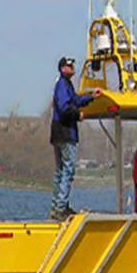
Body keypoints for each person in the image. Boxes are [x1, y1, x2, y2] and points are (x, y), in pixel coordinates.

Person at [50, 57, 101, 221]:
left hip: (59, 133)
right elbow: (65, 108)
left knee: (60, 171)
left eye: (72, 65)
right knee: (67, 170)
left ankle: (58, 206)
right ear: (62, 68)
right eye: (69, 66)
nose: (72, 68)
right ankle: (60, 207)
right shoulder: (62, 86)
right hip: (65, 133)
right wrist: (77, 115)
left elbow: (76, 100)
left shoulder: (66, 85)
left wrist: (91, 96)